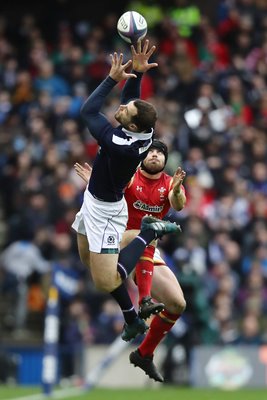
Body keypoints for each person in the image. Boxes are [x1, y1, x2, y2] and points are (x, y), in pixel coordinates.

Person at [71, 40, 181, 344]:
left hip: (106, 211)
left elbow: (88, 110)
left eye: (125, 110)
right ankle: (132, 319)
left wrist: (112, 79)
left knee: (103, 279)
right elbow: (133, 102)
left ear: (130, 125)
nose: (120, 107)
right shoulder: (143, 131)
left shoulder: (120, 146)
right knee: (88, 260)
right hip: (93, 201)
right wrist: (137, 75)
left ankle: (148, 232)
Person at [74, 139, 187, 382]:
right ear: (144, 156)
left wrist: (177, 190)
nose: (155, 155)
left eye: (160, 153)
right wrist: (96, 184)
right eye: (151, 151)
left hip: (143, 246)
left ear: (166, 160)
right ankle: (143, 300)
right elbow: (108, 192)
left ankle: (144, 353)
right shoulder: (131, 175)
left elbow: (179, 204)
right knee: (146, 233)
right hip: (116, 240)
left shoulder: (170, 183)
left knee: (178, 304)